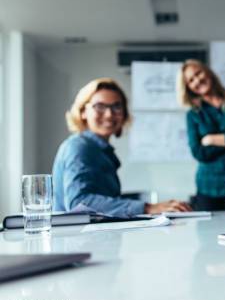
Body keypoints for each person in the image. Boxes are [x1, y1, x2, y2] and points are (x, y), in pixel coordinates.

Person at [53, 78, 191, 217]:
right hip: (75, 237)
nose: (109, 114)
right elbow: (79, 202)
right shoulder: (79, 147)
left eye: (116, 107)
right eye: (100, 106)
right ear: (83, 111)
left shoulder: (100, 150)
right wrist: (147, 208)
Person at [178, 59, 225, 211]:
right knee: (208, 233)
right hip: (209, 188)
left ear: (208, 71)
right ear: (188, 87)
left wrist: (212, 139)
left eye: (198, 73)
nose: (197, 80)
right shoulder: (193, 114)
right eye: (191, 80)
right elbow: (199, 152)